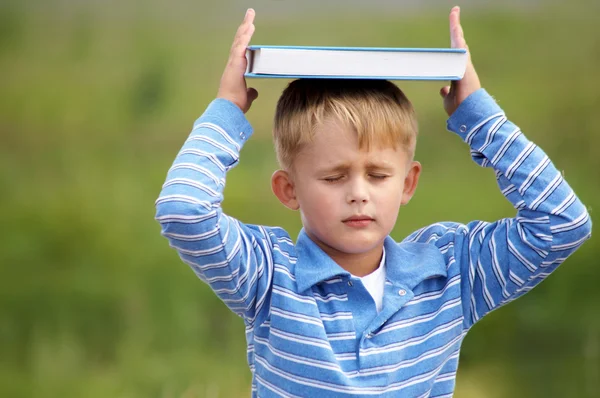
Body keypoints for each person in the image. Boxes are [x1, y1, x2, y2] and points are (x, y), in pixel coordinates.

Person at [154, 7, 591, 397]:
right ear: (288, 189)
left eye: (379, 175)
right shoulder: (269, 276)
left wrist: (477, 114)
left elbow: (563, 223)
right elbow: (182, 211)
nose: (359, 192)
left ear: (408, 183)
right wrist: (228, 108)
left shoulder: (451, 273)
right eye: (333, 176)